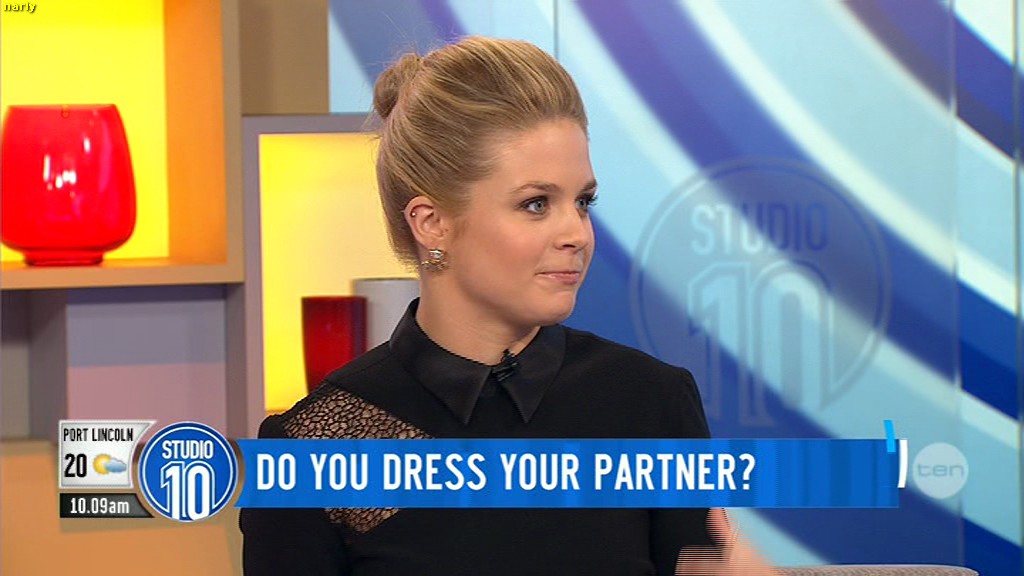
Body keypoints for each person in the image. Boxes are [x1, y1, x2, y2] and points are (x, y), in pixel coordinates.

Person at [240, 35, 775, 576]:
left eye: (583, 202)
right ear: (432, 223)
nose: (577, 233)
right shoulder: (320, 445)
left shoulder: (649, 404)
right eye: (536, 204)